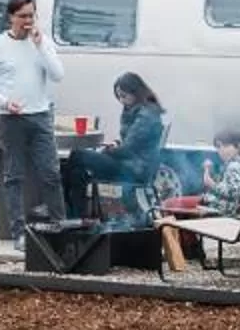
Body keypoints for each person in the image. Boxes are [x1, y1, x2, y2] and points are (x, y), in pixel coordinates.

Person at [0, 0, 65, 242]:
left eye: (31, 15)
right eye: (23, 16)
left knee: (51, 173)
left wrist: (41, 46)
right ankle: (18, 233)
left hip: (41, 116)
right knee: (14, 176)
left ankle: (60, 229)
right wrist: (4, 102)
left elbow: (58, 75)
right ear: (11, 17)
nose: (28, 21)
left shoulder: (42, 43)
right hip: (11, 118)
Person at [66, 72, 168, 221]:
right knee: (77, 171)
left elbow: (129, 149)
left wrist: (108, 151)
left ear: (135, 92)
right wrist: (116, 144)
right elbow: (132, 142)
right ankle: (77, 215)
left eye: (124, 96)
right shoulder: (141, 109)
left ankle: (70, 211)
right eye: (119, 97)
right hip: (132, 163)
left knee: (77, 155)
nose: (121, 100)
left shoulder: (146, 115)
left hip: (134, 169)